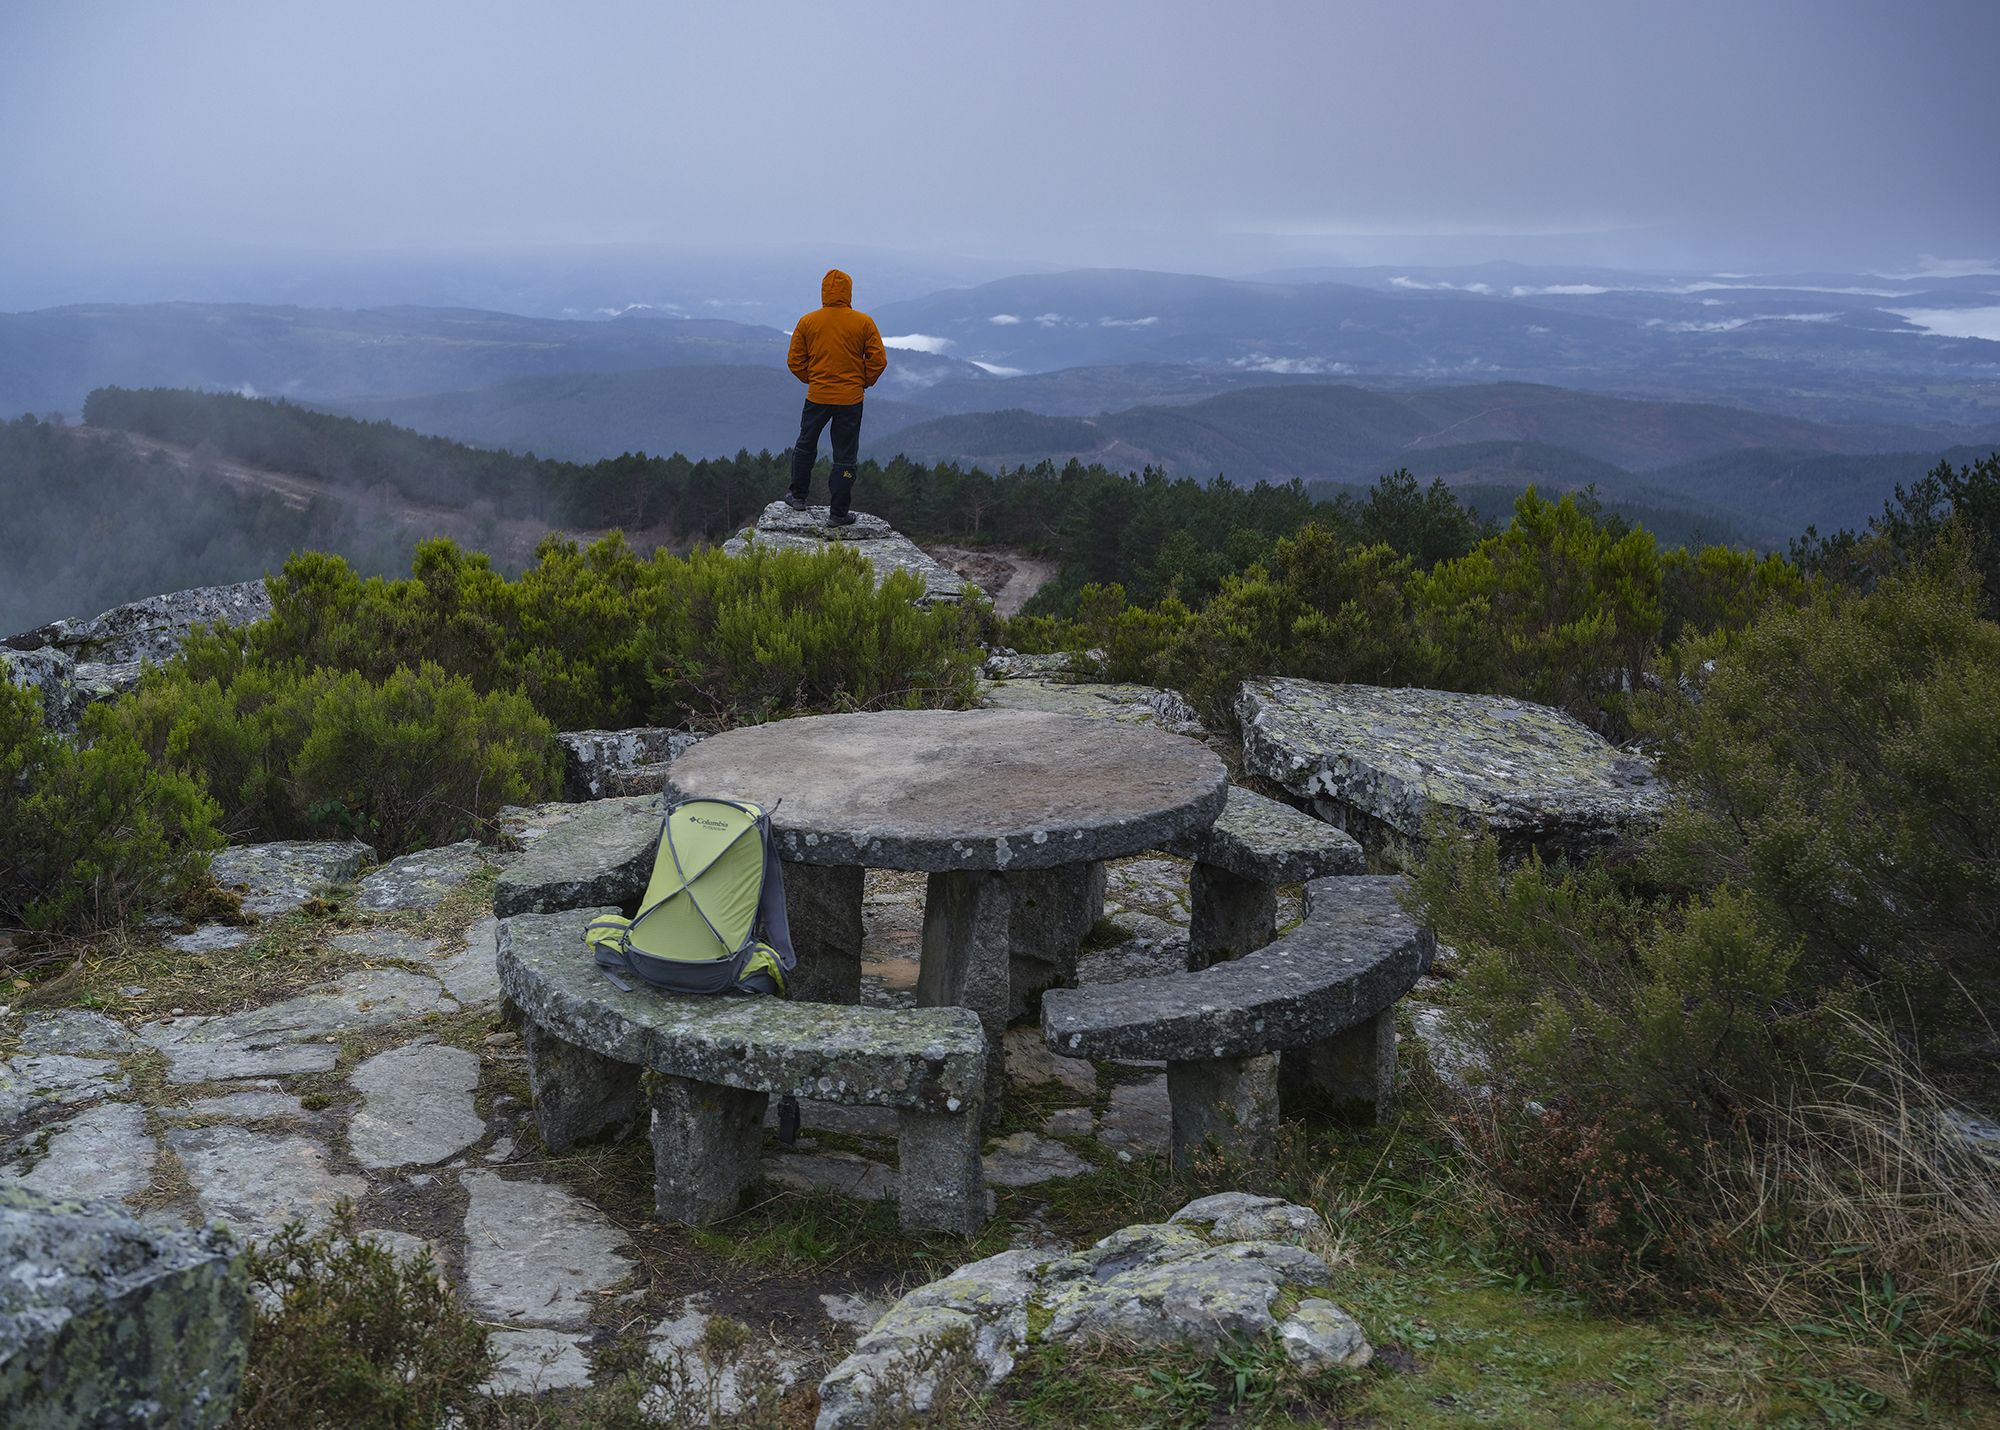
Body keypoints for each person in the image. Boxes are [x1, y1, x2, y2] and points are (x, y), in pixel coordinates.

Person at [784, 268, 887, 526]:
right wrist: (862, 381)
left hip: (817, 396)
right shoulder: (863, 322)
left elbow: (795, 362)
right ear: (849, 291)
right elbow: (878, 361)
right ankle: (838, 514)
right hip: (850, 400)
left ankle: (797, 497)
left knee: (806, 444)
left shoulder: (808, 322)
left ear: (823, 292)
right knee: (845, 456)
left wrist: (815, 379)